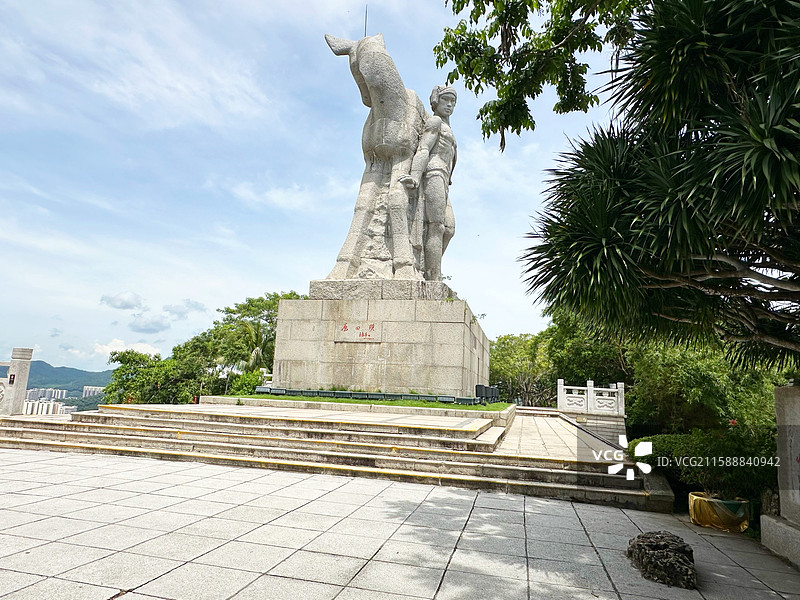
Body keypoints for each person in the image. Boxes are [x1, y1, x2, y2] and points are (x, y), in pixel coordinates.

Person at [399, 85, 457, 282]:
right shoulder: (435, 122)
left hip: (444, 179)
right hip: (434, 172)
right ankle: (434, 279)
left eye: (453, 102)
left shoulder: (448, 128)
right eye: (445, 100)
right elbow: (424, 148)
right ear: (436, 101)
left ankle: (426, 266)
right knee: (437, 226)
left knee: (449, 229)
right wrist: (415, 175)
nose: (449, 105)